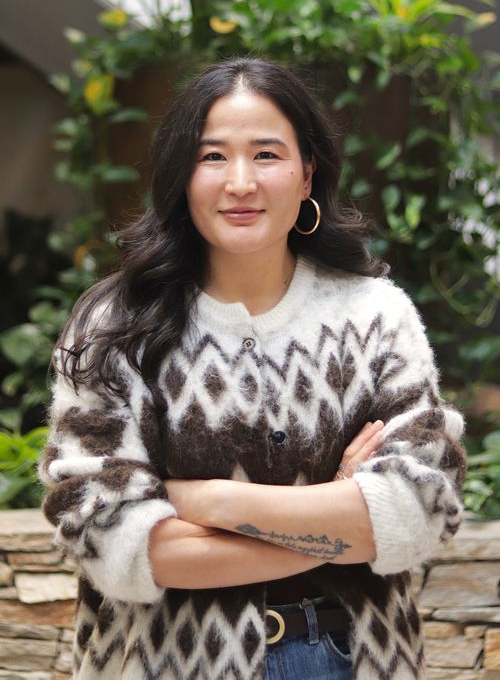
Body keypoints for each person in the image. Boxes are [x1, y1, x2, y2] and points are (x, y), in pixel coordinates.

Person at [38, 57, 466, 680]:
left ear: (306, 172)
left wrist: (207, 500)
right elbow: (110, 537)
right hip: (163, 662)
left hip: (353, 657)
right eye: (212, 156)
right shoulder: (114, 326)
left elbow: (418, 511)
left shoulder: (376, 315)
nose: (240, 182)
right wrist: (336, 513)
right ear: (181, 175)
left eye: (266, 154)